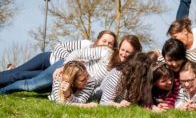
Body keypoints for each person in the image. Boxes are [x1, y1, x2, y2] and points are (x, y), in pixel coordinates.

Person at [0, 33, 142, 95]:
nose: (124, 54)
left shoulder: (125, 68)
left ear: (134, 53)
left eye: (128, 52)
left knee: (37, 89)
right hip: (64, 68)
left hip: (75, 82)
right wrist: (63, 67)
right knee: (31, 85)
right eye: (122, 49)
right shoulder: (107, 52)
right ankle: (3, 91)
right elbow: (77, 54)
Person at [0, 30, 117, 88]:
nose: (106, 44)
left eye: (110, 43)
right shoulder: (85, 44)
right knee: (16, 73)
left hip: (53, 72)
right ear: (98, 40)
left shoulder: (103, 59)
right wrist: (70, 62)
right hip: (48, 60)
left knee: (24, 77)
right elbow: (58, 46)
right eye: (104, 41)